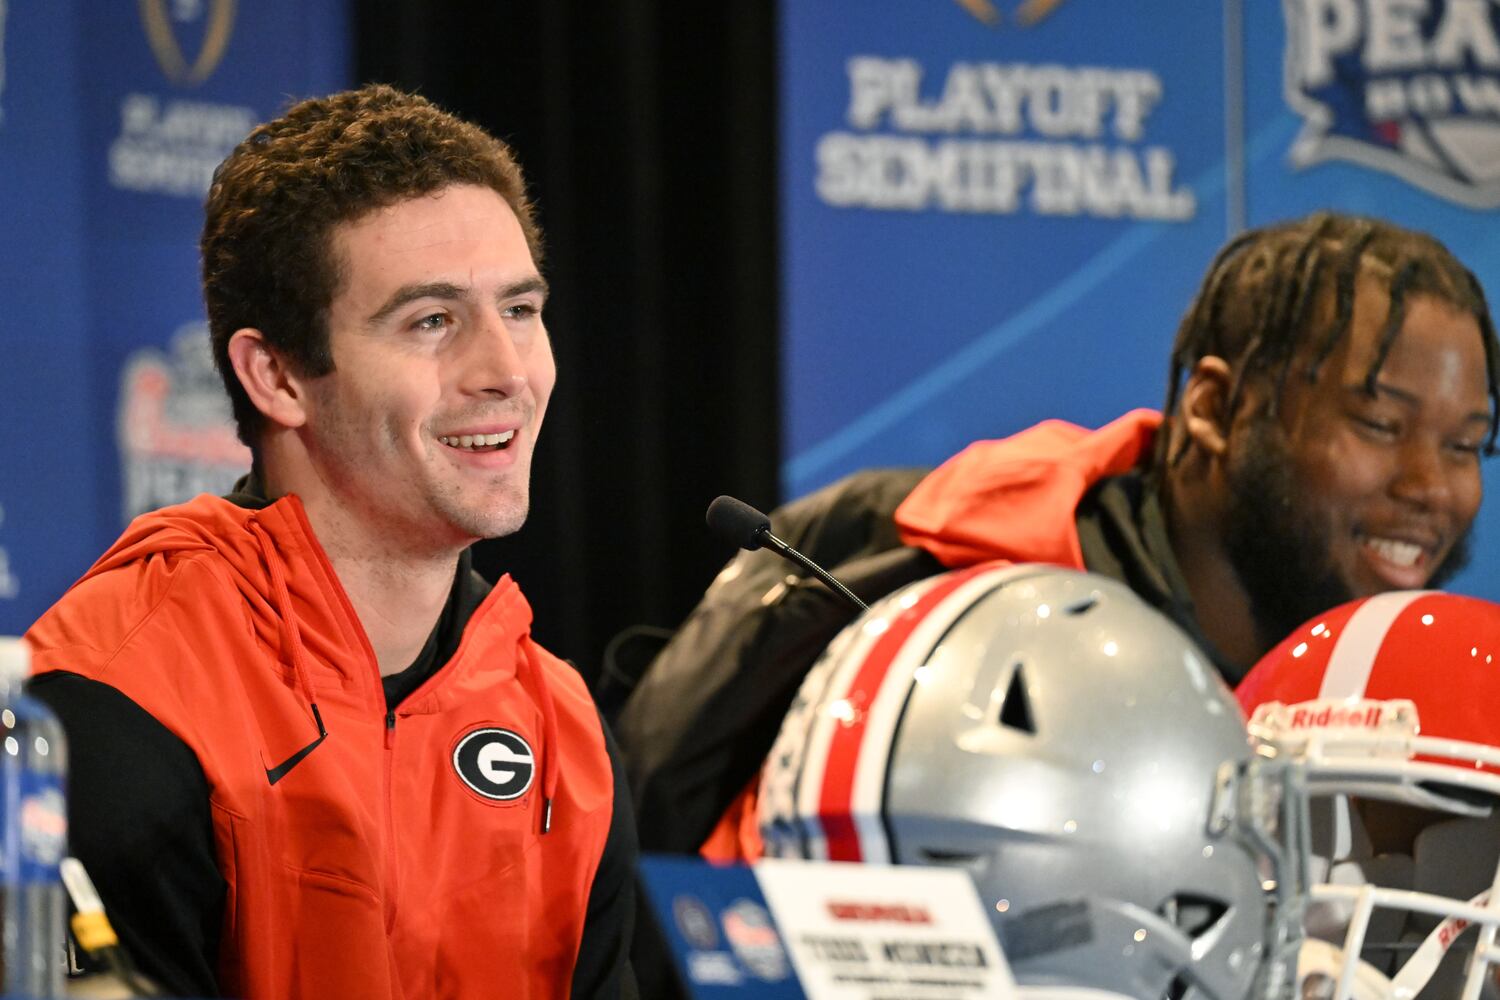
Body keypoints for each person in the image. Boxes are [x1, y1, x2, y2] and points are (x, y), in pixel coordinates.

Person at [615, 210, 1500, 860]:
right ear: (1218, 409)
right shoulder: (938, 590)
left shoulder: (1410, 700)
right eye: (1380, 425)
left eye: (1467, 445)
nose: (1432, 487)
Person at [25, 85, 636, 999]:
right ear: (275, 376)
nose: (507, 372)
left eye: (519, 309)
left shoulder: (563, 732)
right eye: (432, 322)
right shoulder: (116, 704)